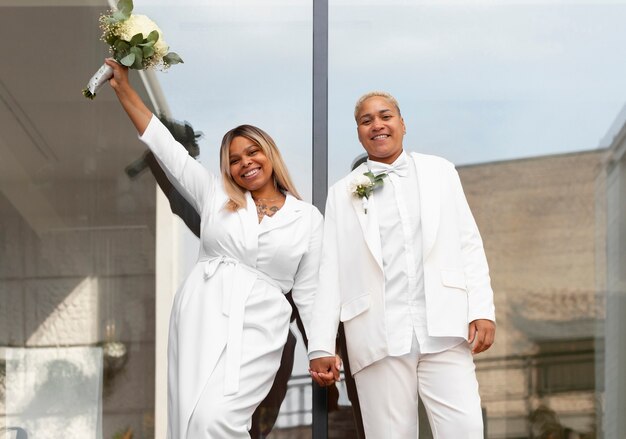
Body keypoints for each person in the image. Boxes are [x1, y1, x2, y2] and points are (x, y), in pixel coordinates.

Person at [104, 59, 324, 439]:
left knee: (217, 417)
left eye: (253, 153)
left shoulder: (307, 218)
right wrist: (124, 89)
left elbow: (309, 291)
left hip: (261, 323)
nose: (245, 163)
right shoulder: (215, 194)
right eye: (235, 160)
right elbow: (164, 146)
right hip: (203, 312)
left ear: (269, 154)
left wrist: (320, 347)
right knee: (192, 419)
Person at [308, 91, 496, 438]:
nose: (377, 124)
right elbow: (330, 270)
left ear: (402, 124)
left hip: (443, 327)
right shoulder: (342, 192)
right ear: (360, 132)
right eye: (366, 121)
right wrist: (321, 345)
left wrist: (481, 308)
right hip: (378, 334)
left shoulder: (441, 171)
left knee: (465, 429)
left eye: (385, 116)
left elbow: (468, 242)